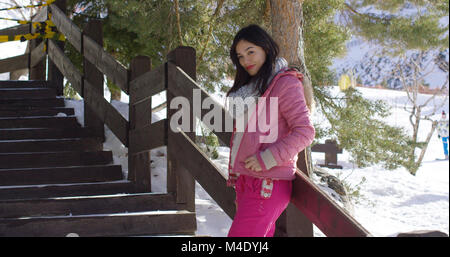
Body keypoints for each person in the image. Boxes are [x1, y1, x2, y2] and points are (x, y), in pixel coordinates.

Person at [225, 24, 315, 237]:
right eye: (240, 56)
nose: (246, 60)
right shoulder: (255, 88)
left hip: (268, 183)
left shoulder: (285, 83)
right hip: (246, 181)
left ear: (266, 48)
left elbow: (305, 131)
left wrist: (268, 158)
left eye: (251, 52)